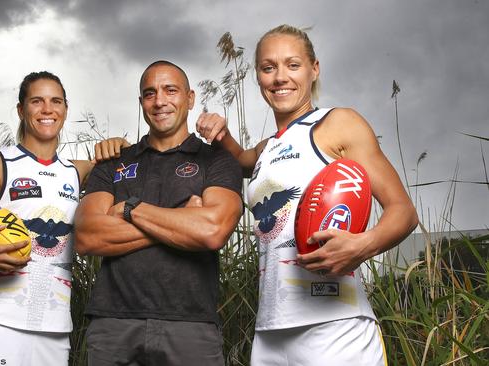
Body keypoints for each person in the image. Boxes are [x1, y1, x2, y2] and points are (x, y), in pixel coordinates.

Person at [196, 25, 418, 366]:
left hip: (335, 327)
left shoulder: (338, 123)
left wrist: (364, 244)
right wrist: (219, 130)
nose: (280, 77)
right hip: (270, 332)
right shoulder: (267, 148)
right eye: (268, 68)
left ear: (314, 69)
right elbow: (241, 161)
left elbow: (403, 211)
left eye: (293, 65)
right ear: (258, 77)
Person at [0, 71, 127, 366]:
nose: (47, 109)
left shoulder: (76, 172)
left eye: (56, 101)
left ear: (65, 110)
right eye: (36, 101)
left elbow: (128, 165)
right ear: (21, 110)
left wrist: (121, 145)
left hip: (54, 327)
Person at [74, 60, 243, 366]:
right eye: (150, 93)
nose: (160, 101)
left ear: (190, 98)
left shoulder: (216, 160)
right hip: (114, 323)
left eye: (170, 90)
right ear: (141, 102)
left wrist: (129, 210)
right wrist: (180, 220)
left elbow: (211, 231)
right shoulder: (114, 162)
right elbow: (86, 236)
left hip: (191, 325)